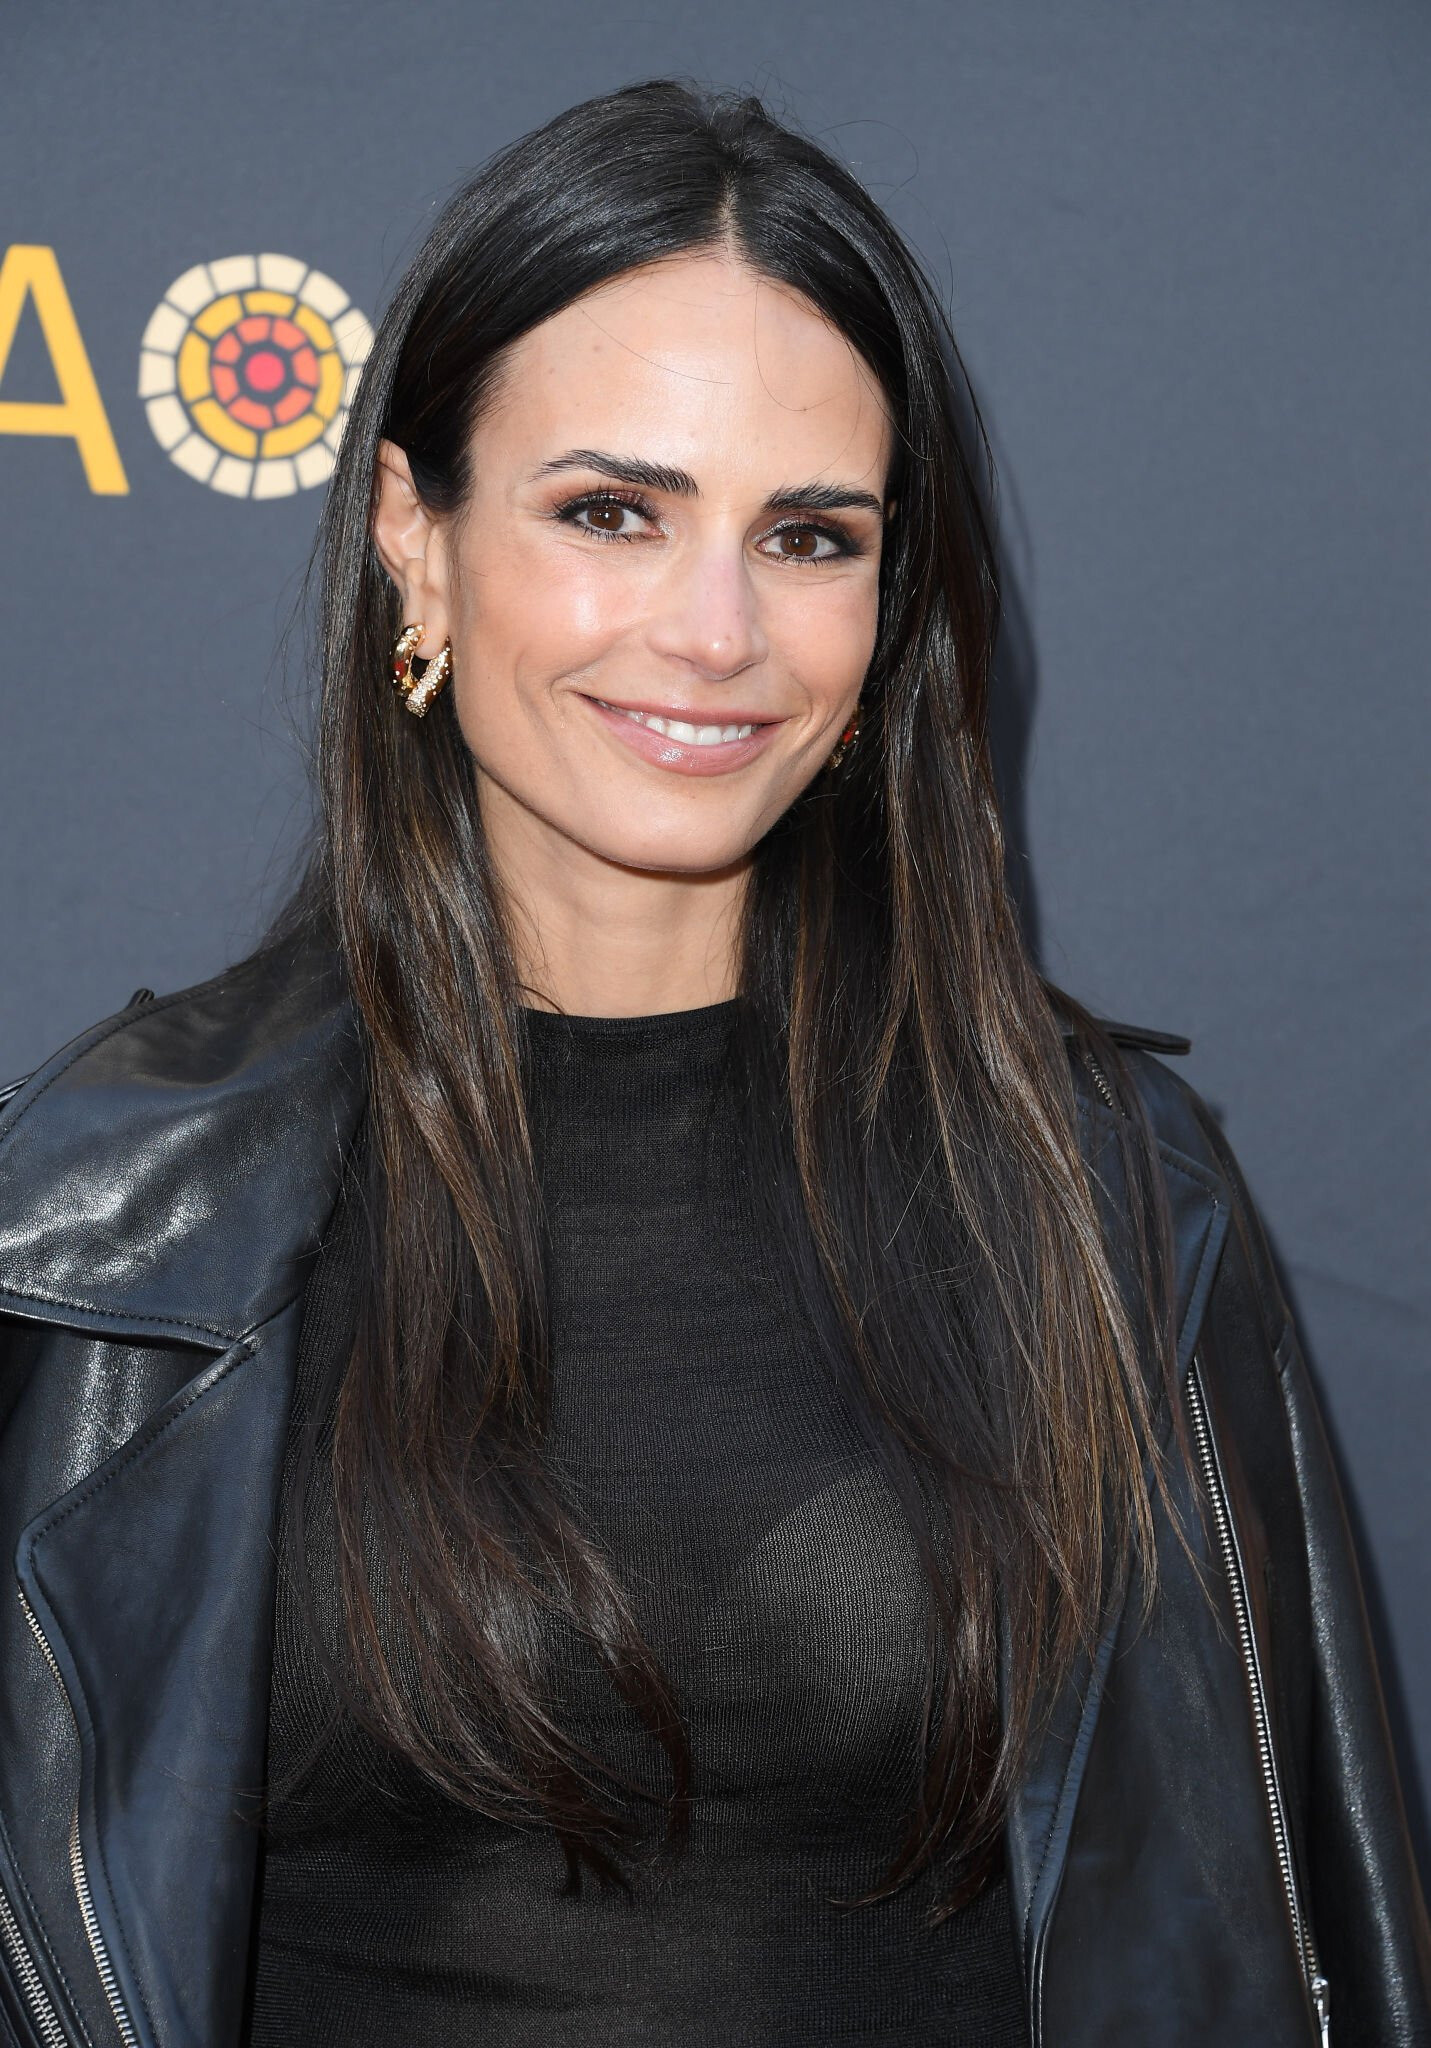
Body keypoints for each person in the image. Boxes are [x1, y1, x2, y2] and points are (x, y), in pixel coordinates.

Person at [0, 76, 1425, 2048]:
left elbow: (1287, 1915)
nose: (716, 629)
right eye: (612, 512)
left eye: (808, 535)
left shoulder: (1107, 1193)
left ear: (885, 601)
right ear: (416, 540)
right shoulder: (105, 1224)